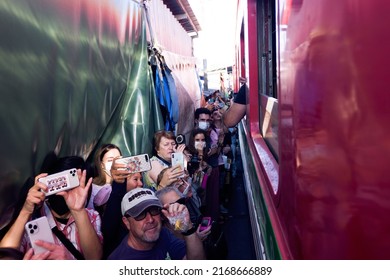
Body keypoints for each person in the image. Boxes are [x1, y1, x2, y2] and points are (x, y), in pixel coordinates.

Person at [0, 156, 103, 260]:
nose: (64, 191)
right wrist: (26, 211)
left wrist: (78, 211)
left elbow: (95, 260)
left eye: (71, 185)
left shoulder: (91, 216)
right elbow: (5, 257)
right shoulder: (30, 219)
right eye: (60, 183)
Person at [107, 188, 205, 260]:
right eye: (140, 214)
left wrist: (188, 230)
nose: (150, 219)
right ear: (127, 222)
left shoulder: (164, 234)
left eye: (154, 210)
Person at [87, 144, 122, 216]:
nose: (115, 163)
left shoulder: (126, 185)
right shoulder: (92, 188)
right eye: (110, 160)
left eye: (118, 159)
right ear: (102, 165)